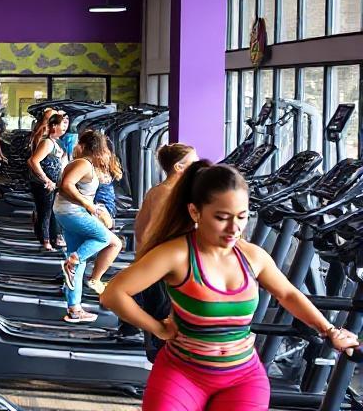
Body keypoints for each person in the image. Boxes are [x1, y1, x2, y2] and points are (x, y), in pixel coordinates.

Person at [101, 162, 359, 411]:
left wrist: (329, 330)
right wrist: (158, 329)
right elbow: (114, 293)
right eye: (222, 218)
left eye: (242, 217)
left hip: (242, 377)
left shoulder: (252, 256)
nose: (234, 228)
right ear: (195, 212)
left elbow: (288, 294)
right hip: (183, 373)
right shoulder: (176, 254)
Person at [55, 130, 122, 323]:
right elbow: (66, 185)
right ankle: (73, 261)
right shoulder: (83, 163)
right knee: (106, 238)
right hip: (72, 212)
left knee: (79, 262)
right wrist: (88, 205)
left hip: (69, 212)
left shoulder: (86, 164)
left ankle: (74, 309)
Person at [135, 143, 198, 247]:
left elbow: (140, 229)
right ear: (178, 167)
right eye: (194, 164)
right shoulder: (170, 193)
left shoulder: (155, 192)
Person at [27, 113, 68, 251]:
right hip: (43, 184)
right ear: (54, 126)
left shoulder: (59, 143)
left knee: (53, 211)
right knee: (45, 212)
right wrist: (46, 179)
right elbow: (33, 161)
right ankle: (46, 241)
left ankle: (53, 238)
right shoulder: (47, 143)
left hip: (54, 184)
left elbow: (63, 164)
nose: (65, 126)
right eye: (63, 124)